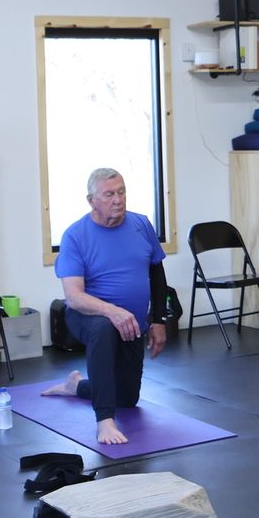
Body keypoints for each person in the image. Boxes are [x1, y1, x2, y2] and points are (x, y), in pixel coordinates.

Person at [40, 168, 168, 445]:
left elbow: (157, 274)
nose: (118, 200)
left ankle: (76, 386)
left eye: (121, 192)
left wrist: (158, 319)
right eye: (109, 194)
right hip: (87, 316)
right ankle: (104, 421)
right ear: (91, 200)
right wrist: (113, 311)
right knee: (103, 328)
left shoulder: (141, 224)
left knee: (127, 398)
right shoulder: (75, 235)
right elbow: (74, 297)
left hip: (131, 321)